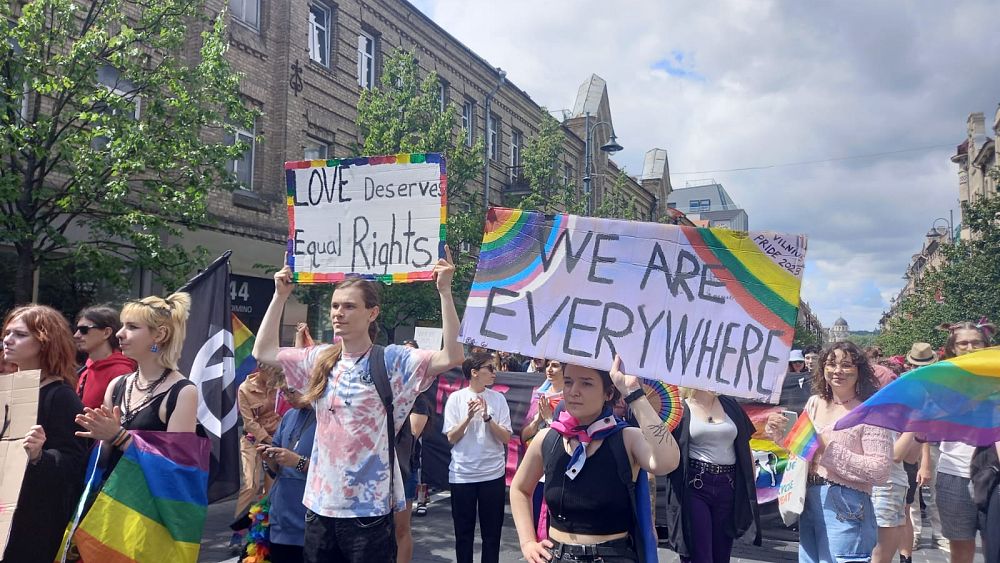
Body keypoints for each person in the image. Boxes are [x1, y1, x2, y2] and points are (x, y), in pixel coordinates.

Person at [251, 249, 464, 563]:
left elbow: (453, 357)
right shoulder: (320, 358)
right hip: (319, 507)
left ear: (372, 313)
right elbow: (264, 350)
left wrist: (445, 292)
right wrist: (279, 296)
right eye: (335, 305)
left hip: (369, 510)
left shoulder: (392, 360)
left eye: (349, 306)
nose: (338, 313)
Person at [511, 356, 681, 563]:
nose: (574, 391)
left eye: (586, 383)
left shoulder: (627, 438)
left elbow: (668, 461)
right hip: (557, 556)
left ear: (608, 393)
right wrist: (527, 542)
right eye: (568, 381)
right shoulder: (547, 438)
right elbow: (519, 489)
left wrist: (634, 395)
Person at [766, 341, 892, 563]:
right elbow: (804, 450)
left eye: (846, 365)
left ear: (859, 370)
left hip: (847, 503)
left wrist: (826, 446)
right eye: (831, 364)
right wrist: (780, 433)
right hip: (808, 498)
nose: (837, 371)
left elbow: (880, 471)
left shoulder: (871, 411)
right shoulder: (815, 403)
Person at [1, 305, 88, 563]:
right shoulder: (9, 389)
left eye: (19, 334)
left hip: (32, 524)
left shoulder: (61, 397)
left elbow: (75, 464)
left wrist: (40, 455)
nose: (7, 339)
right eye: (6, 333)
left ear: (44, 341)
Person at [665, 388, 761, 563]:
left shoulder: (730, 404)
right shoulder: (681, 407)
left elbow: (744, 447)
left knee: (722, 555)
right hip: (696, 485)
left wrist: (749, 484)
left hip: (728, 486)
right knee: (700, 555)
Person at [930, 321, 991, 563]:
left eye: (976, 342)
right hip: (954, 469)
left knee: (993, 545)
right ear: (953, 348)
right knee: (960, 547)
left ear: (986, 346)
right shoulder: (942, 378)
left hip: (993, 471)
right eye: (963, 343)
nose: (969, 347)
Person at [443, 350, 513, 563]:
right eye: (489, 368)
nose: (494, 373)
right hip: (463, 475)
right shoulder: (456, 398)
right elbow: (451, 437)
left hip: (492, 475)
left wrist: (487, 417)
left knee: (492, 535)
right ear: (474, 372)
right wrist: (468, 417)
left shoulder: (498, 399)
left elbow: (506, 438)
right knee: (463, 534)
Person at [259, 385, 317, 563]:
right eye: (283, 392)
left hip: (312, 522)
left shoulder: (328, 418)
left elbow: (336, 471)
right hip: (282, 521)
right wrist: (269, 458)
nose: (286, 398)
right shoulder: (289, 416)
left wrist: (298, 462)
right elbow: (277, 470)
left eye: (291, 391)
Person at [900, 342, 943, 551]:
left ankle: (938, 533)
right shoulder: (904, 384)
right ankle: (915, 533)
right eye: (916, 365)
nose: (919, 369)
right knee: (912, 493)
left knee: (935, 490)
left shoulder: (939, 386)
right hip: (909, 443)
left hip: (933, 442)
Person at [519, 359, 565, 539]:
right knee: (536, 522)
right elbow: (524, 435)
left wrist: (549, 419)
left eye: (555, 365)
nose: (550, 370)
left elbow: (571, 438)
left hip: (561, 471)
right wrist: (537, 420)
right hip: (539, 470)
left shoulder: (571, 398)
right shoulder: (537, 395)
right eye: (548, 365)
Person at [236, 364, 282, 517]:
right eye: (270, 373)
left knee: (271, 489)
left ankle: (263, 530)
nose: (272, 378)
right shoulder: (245, 389)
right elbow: (249, 422)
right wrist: (267, 439)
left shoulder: (278, 384)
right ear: (261, 369)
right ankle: (238, 530)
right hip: (252, 440)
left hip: (276, 439)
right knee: (250, 485)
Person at [74, 305, 136, 409]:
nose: (76, 335)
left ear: (106, 333)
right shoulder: (85, 370)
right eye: (77, 329)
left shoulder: (121, 372)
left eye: (83, 330)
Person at [871, 432, 920, 563]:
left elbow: (909, 459)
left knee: (884, 556)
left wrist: (920, 435)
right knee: (879, 555)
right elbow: (895, 455)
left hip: (897, 485)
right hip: (883, 487)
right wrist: (914, 425)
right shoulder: (882, 413)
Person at [395, 390, 432, 563]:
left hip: (404, 470)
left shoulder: (417, 402)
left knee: (401, 528)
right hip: (378, 471)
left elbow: (411, 437)